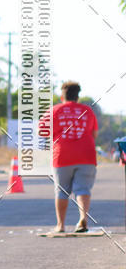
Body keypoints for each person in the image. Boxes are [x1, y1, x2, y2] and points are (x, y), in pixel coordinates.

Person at [39, 81, 98, 233]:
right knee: (83, 189)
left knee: (61, 191)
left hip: (62, 156)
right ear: (77, 97)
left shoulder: (54, 110)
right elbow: (94, 134)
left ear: (62, 96)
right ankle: (83, 218)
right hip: (87, 155)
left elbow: (42, 131)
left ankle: (60, 225)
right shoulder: (87, 111)